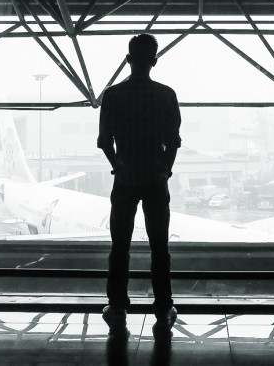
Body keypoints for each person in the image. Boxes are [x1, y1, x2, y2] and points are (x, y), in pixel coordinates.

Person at [97, 34, 181, 337]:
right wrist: (165, 170)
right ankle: (163, 309)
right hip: (155, 178)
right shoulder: (165, 95)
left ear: (129, 59)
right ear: (154, 60)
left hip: (125, 177)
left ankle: (117, 308)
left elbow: (105, 141)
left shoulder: (114, 95)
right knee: (160, 248)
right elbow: (173, 141)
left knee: (120, 246)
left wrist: (118, 165)